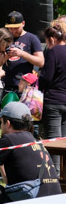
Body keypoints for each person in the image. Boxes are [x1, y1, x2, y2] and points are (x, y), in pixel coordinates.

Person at [39, 22, 66, 172]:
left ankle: (54, 175)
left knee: (54, 142)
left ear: (52, 39)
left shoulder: (54, 52)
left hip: (53, 101)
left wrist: (38, 81)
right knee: (64, 141)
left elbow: (46, 78)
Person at [2, 11, 44, 93]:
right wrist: (6, 57)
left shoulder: (31, 38)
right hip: (5, 84)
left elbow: (41, 62)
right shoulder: (5, 38)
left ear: (23, 23)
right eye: (10, 28)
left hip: (23, 86)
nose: (13, 31)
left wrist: (22, 54)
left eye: (16, 28)